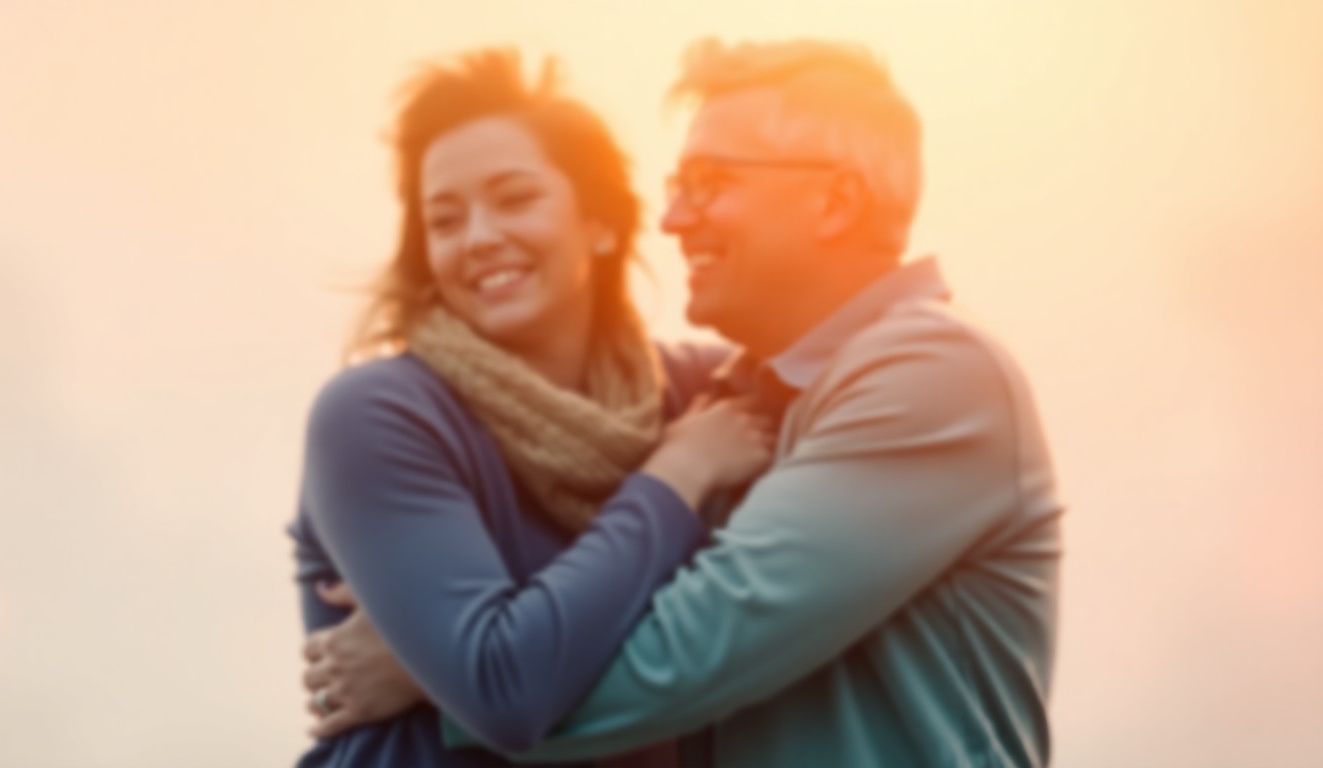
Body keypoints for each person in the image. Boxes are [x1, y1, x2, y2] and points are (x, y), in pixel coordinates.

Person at [307, 38, 1065, 768]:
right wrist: (469, 668)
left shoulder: (930, 378)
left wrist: (445, 677)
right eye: (443, 219)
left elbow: (683, 652)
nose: (673, 218)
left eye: (710, 183)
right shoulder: (728, 397)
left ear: (835, 201)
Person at [288, 47, 776, 768]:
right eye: (445, 220)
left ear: (601, 221)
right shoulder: (377, 417)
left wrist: (430, 665)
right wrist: (677, 476)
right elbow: (505, 690)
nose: (480, 237)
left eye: (515, 199)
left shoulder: (703, 392)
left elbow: (789, 614)